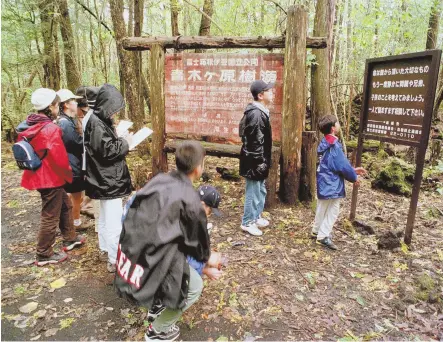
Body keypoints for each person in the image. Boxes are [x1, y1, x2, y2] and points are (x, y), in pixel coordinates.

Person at [115, 141, 212, 341]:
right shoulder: (191, 201)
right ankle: (158, 329)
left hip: (134, 247)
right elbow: (197, 247)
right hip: (154, 256)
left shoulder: (160, 180)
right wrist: (208, 260)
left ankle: (158, 303)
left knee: (178, 265)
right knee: (194, 287)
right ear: (198, 168)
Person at [16, 88, 86, 266]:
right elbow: (59, 158)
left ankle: (70, 238)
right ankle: (43, 253)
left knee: (65, 205)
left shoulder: (31, 123)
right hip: (50, 178)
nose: (57, 108)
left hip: (39, 175)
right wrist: (68, 174)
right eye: (56, 104)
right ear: (52, 106)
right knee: (50, 215)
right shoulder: (50, 128)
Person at [83, 84, 133, 273]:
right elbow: (108, 151)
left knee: (105, 217)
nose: (114, 113)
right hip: (108, 180)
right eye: (113, 109)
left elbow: (103, 146)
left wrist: (117, 136)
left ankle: (106, 249)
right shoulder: (97, 123)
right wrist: (125, 142)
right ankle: (115, 259)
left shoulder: (97, 120)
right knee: (113, 222)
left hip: (102, 179)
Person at [311, 114, 367, 250]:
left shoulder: (325, 143)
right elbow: (342, 165)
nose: (338, 124)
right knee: (333, 209)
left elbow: (334, 163)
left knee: (322, 206)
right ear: (333, 128)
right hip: (332, 183)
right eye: (337, 123)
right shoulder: (334, 146)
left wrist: (353, 170)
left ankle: (316, 230)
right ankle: (323, 236)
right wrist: (354, 177)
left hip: (324, 179)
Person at [239, 80, 274, 236]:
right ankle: (247, 222)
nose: (272, 93)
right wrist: (259, 162)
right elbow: (254, 141)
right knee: (253, 191)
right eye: (269, 90)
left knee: (260, 190)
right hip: (254, 161)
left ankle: (256, 216)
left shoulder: (260, 111)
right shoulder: (256, 114)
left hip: (258, 160)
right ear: (261, 95)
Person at [56, 89, 92, 231]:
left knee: (73, 196)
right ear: (65, 104)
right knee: (76, 196)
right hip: (71, 164)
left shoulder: (64, 120)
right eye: (73, 101)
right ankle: (73, 225)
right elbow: (76, 143)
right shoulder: (65, 123)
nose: (76, 103)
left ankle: (70, 224)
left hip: (69, 163)